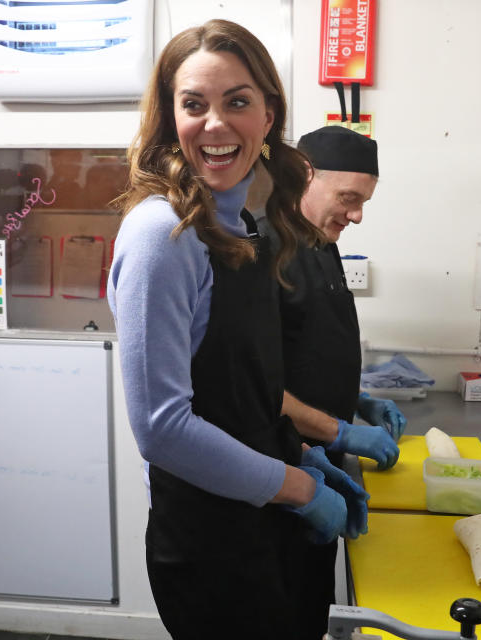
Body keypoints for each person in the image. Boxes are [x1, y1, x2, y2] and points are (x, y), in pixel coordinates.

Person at [108, 19, 368, 639]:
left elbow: (237, 393)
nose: (215, 124)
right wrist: (300, 486)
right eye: (193, 104)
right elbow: (163, 430)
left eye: (238, 102)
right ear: (170, 117)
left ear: (269, 114)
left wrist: (299, 452)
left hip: (262, 515)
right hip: (212, 545)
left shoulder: (241, 224)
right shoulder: (161, 236)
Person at [256, 125, 409, 637]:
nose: (357, 214)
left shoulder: (322, 243)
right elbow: (254, 384)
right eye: (348, 198)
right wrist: (339, 431)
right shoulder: (263, 251)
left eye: (363, 201)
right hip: (283, 469)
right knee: (281, 611)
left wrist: (357, 399)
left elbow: (307, 349)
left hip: (324, 465)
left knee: (311, 606)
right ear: (304, 174)